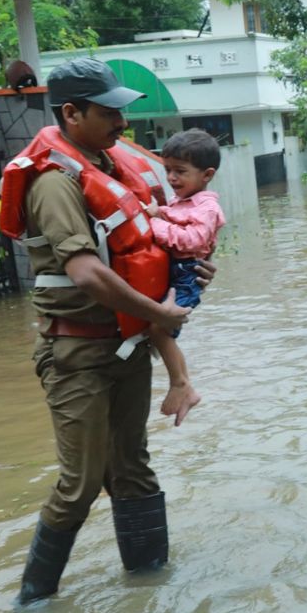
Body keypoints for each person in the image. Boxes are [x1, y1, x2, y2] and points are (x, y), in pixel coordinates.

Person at [0, 57, 209, 605]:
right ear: (71, 113)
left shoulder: (111, 167)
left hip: (127, 348)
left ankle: (149, 589)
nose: (121, 123)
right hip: (76, 352)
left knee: (133, 470)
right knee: (81, 483)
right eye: (109, 112)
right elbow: (87, 273)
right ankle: (34, 605)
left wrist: (189, 272)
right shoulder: (53, 182)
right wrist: (160, 315)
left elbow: (143, 246)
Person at [137, 128, 225, 426]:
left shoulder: (207, 207)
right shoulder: (183, 201)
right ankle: (180, 382)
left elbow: (191, 240)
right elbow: (172, 216)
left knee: (159, 327)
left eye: (180, 172)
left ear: (207, 174)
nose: (172, 178)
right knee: (155, 326)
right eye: (168, 171)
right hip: (178, 272)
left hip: (187, 275)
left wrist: (154, 225)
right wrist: (159, 212)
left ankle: (181, 383)